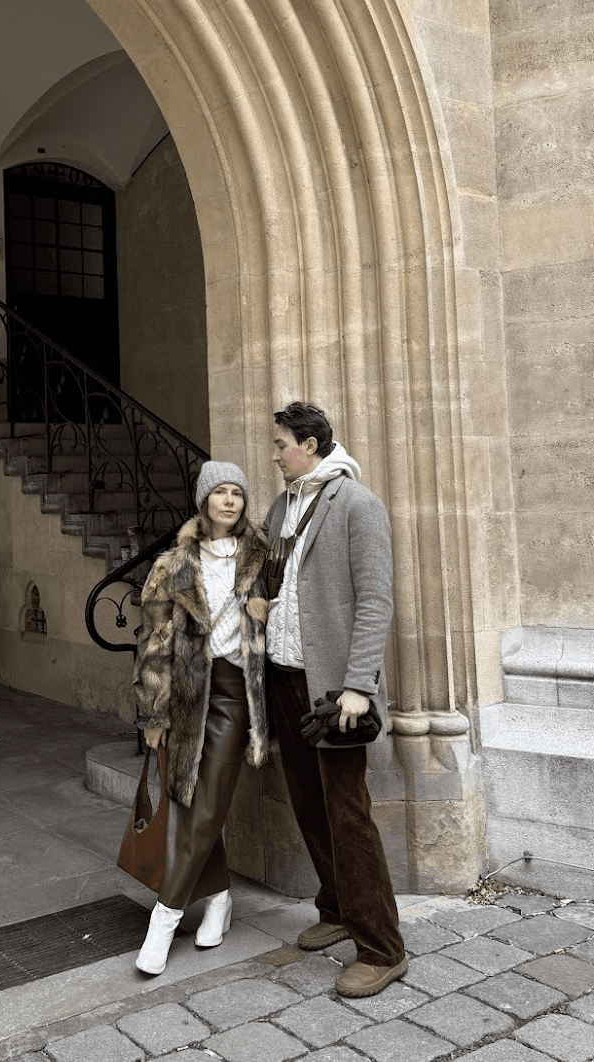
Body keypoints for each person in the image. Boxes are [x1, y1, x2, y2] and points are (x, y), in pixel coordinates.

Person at [264, 401, 407, 998]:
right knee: (307, 803)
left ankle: (381, 947)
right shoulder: (281, 507)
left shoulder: (357, 505)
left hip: (333, 687)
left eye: (281, 444)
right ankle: (335, 908)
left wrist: (358, 685)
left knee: (348, 813)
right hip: (283, 676)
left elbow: (375, 601)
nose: (274, 454)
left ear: (312, 444)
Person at [131, 461, 269, 975]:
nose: (230, 501)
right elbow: (154, 642)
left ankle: (163, 921)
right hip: (186, 697)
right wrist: (151, 709)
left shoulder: (261, 557)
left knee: (207, 804)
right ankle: (219, 898)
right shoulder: (172, 565)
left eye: (237, 493)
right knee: (185, 804)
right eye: (220, 493)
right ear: (204, 501)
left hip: (235, 695)